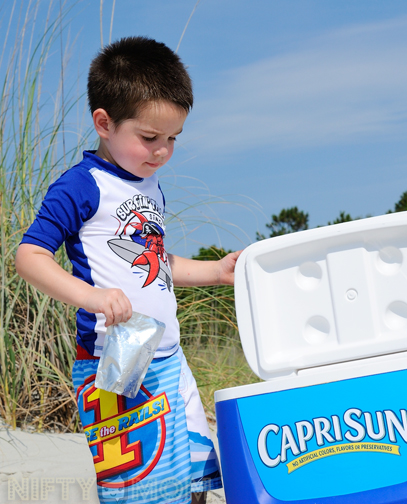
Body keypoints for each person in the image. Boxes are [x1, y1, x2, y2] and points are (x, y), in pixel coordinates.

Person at [15, 36, 240, 504]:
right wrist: (92, 297)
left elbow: (156, 263)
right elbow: (30, 256)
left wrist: (216, 271)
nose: (162, 152)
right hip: (115, 361)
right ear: (104, 122)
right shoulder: (83, 184)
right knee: (141, 489)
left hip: (170, 358)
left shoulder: (149, 187)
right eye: (150, 138)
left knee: (196, 478)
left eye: (173, 139)